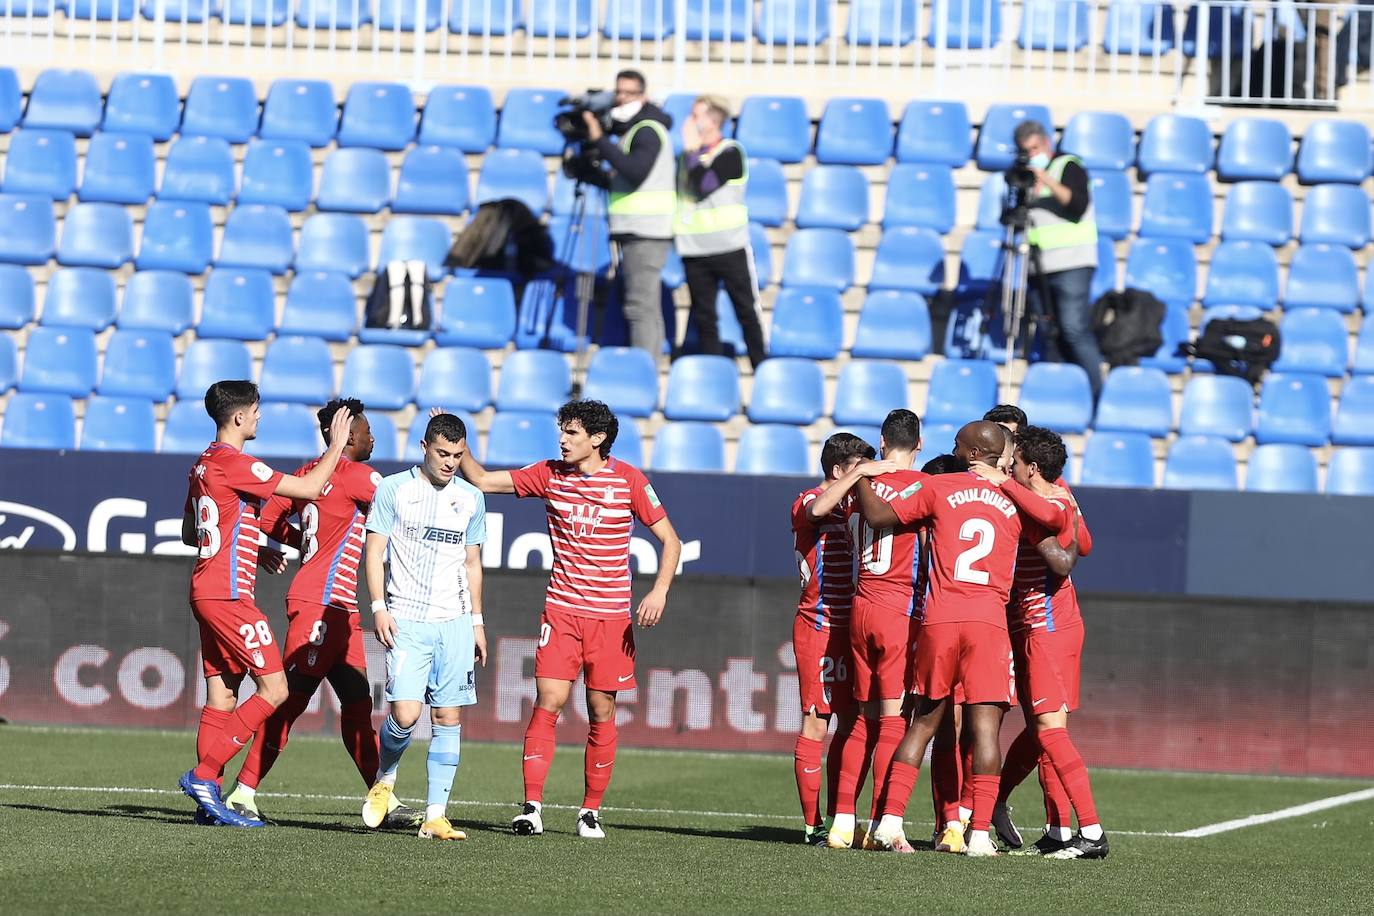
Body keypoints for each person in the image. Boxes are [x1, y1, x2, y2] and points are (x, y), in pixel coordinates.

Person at [458, 400, 682, 839]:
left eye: (572, 433)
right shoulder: (549, 473)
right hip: (561, 612)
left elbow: (670, 541)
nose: (563, 439)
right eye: (563, 431)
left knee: (601, 709)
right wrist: (459, 442)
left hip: (611, 619)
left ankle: (589, 811)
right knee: (549, 702)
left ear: (597, 439)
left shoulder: (630, 481)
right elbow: (482, 479)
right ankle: (532, 807)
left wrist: (659, 590)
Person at [857, 421, 1063, 857]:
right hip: (989, 624)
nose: (951, 450)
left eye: (956, 445)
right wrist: (1015, 487)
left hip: (941, 619)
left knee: (925, 723)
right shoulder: (1012, 496)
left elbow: (878, 517)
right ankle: (980, 836)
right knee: (986, 729)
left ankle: (889, 821)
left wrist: (861, 476)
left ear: (971, 453)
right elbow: (1057, 532)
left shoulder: (941, 486)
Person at [224, 399, 418, 829]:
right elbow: (409, 508)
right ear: (348, 434)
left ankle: (381, 800)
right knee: (289, 703)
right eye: (367, 430)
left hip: (337, 610)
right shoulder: (359, 476)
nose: (373, 438)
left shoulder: (305, 475)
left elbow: (266, 519)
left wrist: (304, 542)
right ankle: (243, 792)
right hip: (321, 607)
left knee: (355, 703)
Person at [177, 380, 353, 828]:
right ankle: (202, 777)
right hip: (230, 595)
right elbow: (312, 487)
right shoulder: (236, 463)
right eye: (256, 411)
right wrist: (335, 445)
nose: (259, 418)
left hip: (205, 588)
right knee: (274, 689)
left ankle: (209, 799)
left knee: (222, 694)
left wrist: (254, 543)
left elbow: (190, 532)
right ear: (238, 417)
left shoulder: (202, 464)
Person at [977, 426, 1108, 860]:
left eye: (1013, 462)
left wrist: (1009, 488)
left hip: (1047, 626)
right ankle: (1057, 832)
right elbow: (1083, 539)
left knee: (1051, 731)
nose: (1006, 468)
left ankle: (1091, 833)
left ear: (1030, 467)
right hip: (1042, 625)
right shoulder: (1055, 494)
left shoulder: (1047, 500)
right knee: (1040, 732)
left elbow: (1072, 543)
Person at [361, 412, 488, 841]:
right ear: (424, 447)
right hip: (407, 618)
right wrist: (379, 606)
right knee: (405, 714)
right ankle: (385, 778)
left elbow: (472, 563)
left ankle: (436, 815)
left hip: (453, 621)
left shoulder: (472, 498)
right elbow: (374, 548)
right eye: (443, 453)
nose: (451, 462)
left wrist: (477, 622)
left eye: (458, 455)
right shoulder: (395, 489)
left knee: (448, 716)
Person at [826, 410, 924, 853]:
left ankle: (841, 823)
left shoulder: (857, 489)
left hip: (859, 605)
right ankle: (885, 824)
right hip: (896, 609)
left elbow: (821, 507)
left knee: (860, 722)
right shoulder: (924, 488)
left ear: (882, 441)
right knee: (891, 720)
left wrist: (862, 471)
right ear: (918, 446)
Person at [789, 433, 895, 844]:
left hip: (856, 628)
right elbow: (818, 508)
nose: (866, 478)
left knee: (856, 724)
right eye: (858, 469)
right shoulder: (807, 501)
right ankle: (811, 824)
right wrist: (865, 472)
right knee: (817, 721)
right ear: (838, 471)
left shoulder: (857, 506)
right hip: (818, 625)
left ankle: (841, 817)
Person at [574, 70, 676, 359]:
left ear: (643, 96)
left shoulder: (647, 130)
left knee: (639, 306)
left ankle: (645, 371)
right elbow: (622, 181)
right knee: (641, 305)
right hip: (635, 228)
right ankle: (646, 367)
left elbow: (635, 172)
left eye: (628, 93)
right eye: (618, 92)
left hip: (647, 231)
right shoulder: (634, 131)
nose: (621, 98)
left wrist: (599, 140)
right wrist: (591, 174)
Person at [1014, 120, 1105, 402]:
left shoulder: (1068, 165)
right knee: (1048, 332)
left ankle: (1096, 395)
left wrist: (1047, 180)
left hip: (1072, 262)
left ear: (1046, 143)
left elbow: (1078, 206)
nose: (1032, 155)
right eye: (1026, 151)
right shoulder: (1025, 176)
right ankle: (1061, 397)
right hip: (1039, 265)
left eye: (1035, 148)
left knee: (1073, 329)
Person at [675, 95, 768, 368]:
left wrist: (693, 152)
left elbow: (703, 184)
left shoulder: (729, 152)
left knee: (745, 311)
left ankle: (760, 365)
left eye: (696, 116)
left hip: (729, 246)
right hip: (694, 246)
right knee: (704, 315)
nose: (689, 122)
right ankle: (712, 370)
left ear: (713, 120)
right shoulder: (688, 156)